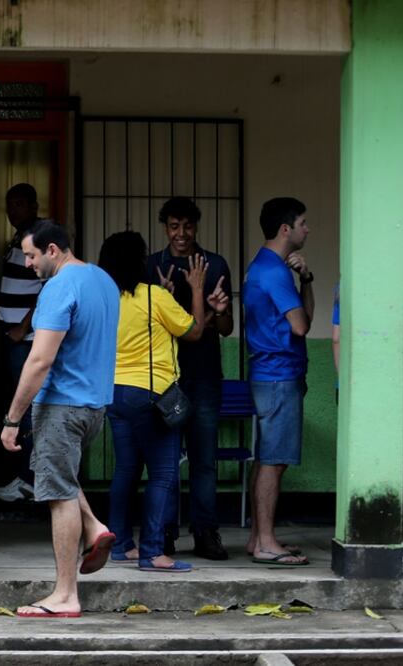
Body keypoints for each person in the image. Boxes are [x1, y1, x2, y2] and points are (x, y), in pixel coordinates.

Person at [0, 220, 118, 618]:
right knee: (61, 476)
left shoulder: (58, 287)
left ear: (53, 250)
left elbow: (40, 359)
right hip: (95, 405)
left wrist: (12, 417)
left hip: (61, 405)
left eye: (31, 255)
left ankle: (66, 594)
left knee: (57, 496)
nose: (28, 264)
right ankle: (95, 527)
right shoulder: (102, 280)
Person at [101, 231, 228, 572]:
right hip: (151, 395)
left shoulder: (106, 298)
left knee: (126, 469)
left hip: (114, 393)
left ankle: (121, 544)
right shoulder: (154, 297)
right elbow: (194, 331)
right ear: (139, 261)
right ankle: (153, 552)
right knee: (162, 473)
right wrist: (198, 289)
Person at [146, 196, 235, 560]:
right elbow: (146, 323)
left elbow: (227, 328)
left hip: (204, 375)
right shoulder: (152, 266)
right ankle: (164, 534)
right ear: (165, 227)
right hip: (166, 377)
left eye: (187, 226)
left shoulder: (214, 264)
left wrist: (220, 312)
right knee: (165, 461)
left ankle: (205, 533)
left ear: (196, 226)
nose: (181, 234)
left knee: (204, 459)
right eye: (174, 226)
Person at [242, 197, 313, 566]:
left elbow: (302, 322)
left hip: (270, 373)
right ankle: (268, 543)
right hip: (278, 375)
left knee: (267, 458)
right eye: (303, 223)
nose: (307, 229)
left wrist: (307, 279)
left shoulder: (266, 267)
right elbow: (301, 326)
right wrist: (298, 282)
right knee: (274, 460)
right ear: (285, 229)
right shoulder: (273, 272)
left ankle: (259, 538)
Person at [0, 183, 50, 502]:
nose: (13, 210)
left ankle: (30, 480)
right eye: (9, 204)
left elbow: (48, 287)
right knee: (24, 404)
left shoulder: (38, 238)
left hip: (27, 339)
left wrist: (22, 327)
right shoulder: (19, 238)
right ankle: (28, 477)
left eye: (19, 204)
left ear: (33, 205)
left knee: (27, 407)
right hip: (17, 338)